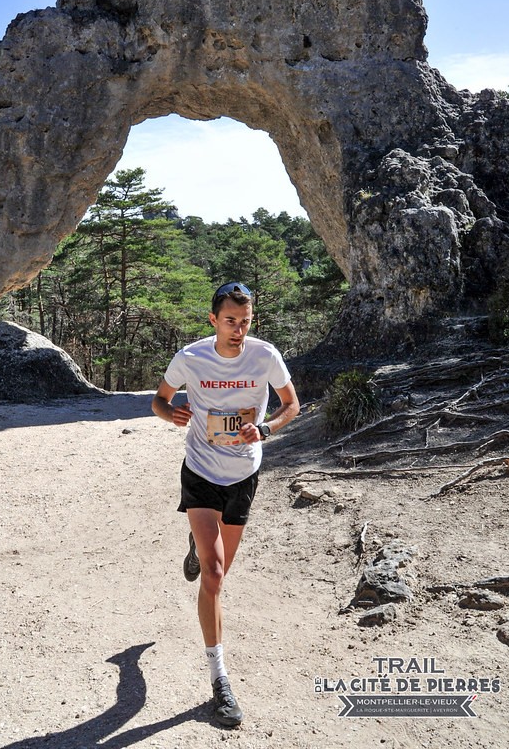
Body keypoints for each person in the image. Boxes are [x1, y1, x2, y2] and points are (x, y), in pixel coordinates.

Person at [152, 281, 300, 728]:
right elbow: (158, 400)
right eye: (231, 321)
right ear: (213, 320)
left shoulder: (265, 355)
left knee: (217, 569)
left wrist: (267, 429)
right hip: (199, 472)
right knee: (214, 577)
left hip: (243, 475)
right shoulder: (191, 357)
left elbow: (292, 405)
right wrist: (170, 413)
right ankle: (220, 679)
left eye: (246, 321)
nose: (239, 329)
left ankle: (199, 548)